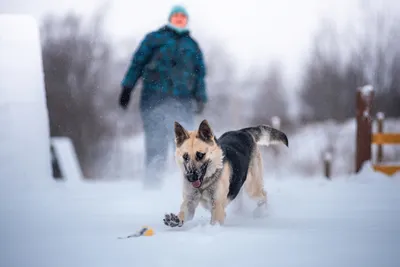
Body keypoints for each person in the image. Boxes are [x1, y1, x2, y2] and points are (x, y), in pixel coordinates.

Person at [119, 4, 208, 188]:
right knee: (156, 145)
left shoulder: (192, 46)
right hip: (154, 99)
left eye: (182, 17)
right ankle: (152, 187)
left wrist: (200, 97)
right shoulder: (154, 39)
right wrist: (127, 88)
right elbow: (137, 62)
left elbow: (199, 74)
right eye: (176, 16)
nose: (179, 19)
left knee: (188, 148)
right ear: (170, 19)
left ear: (186, 21)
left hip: (182, 102)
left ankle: (188, 190)